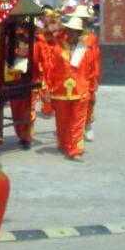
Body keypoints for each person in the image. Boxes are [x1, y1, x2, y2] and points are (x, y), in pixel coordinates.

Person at [46, 16, 99, 160]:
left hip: (81, 91)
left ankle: (74, 149)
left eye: (75, 31)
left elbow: (91, 71)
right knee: (62, 121)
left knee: (78, 121)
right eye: (70, 30)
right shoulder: (58, 48)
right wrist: (47, 88)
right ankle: (64, 144)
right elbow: (50, 69)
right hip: (60, 91)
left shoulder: (86, 49)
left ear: (79, 32)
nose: (72, 33)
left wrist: (92, 90)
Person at [72, 5, 102, 142]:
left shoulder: (91, 38)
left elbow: (95, 58)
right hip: (72, 73)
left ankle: (88, 125)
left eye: (84, 18)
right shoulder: (68, 35)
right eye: (80, 18)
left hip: (86, 74)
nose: (82, 20)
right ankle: (74, 128)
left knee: (89, 100)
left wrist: (95, 77)